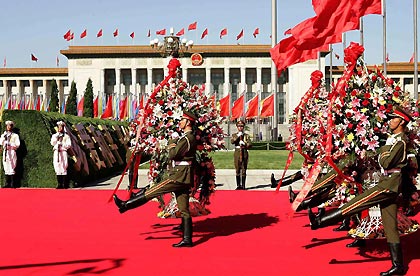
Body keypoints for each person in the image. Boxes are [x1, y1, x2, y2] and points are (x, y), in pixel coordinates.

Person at [309, 105, 412, 276]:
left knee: (358, 202)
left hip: (388, 185)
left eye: (394, 119)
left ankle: (320, 221)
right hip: (390, 183)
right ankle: (398, 266)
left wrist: (383, 151)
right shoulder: (393, 140)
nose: (390, 121)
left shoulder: (399, 141)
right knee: (390, 226)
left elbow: (385, 163)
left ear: (401, 121)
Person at [114, 110, 198, 248]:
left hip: (178, 176)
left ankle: (126, 205)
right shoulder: (187, 138)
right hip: (183, 175)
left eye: (183, 120)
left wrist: (171, 143)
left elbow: (173, 154)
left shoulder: (187, 138)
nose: (180, 122)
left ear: (188, 122)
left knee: (153, 190)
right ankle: (187, 239)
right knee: (184, 208)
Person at [231, 120, 252, 190]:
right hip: (237, 152)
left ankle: (243, 185)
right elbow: (232, 141)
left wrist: (245, 144)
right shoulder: (234, 135)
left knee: (243, 169)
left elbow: (250, 144)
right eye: (239, 126)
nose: (240, 128)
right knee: (237, 169)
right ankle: (238, 185)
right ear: (237, 127)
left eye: (242, 126)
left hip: (244, 152)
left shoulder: (246, 135)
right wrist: (238, 136)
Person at [50, 121, 72, 189]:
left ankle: (64, 184)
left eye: (61, 126)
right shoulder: (54, 135)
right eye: (59, 126)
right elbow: (52, 143)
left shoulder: (66, 136)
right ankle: (59, 184)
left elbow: (69, 145)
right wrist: (57, 139)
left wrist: (62, 144)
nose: (60, 128)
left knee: (64, 166)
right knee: (57, 166)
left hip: (63, 151)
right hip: (57, 152)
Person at [0, 121, 20, 188]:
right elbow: (1, 143)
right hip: (6, 151)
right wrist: (4, 139)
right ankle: (7, 183)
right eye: (7, 126)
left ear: (12, 127)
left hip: (11, 151)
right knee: (6, 166)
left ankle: (12, 183)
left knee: (12, 166)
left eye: (10, 125)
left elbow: (17, 144)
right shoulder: (4, 135)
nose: (8, 127)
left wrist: (10, 144)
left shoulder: (15, 135)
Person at [126, 121, 140, 190]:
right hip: (130, 152)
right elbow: (125, 142)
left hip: (137, 152)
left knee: (135, 169)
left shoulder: (138, 134)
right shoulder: (128, 134)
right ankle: (130, 184)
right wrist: (129, 136)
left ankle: (134, 185)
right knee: (130, 169)